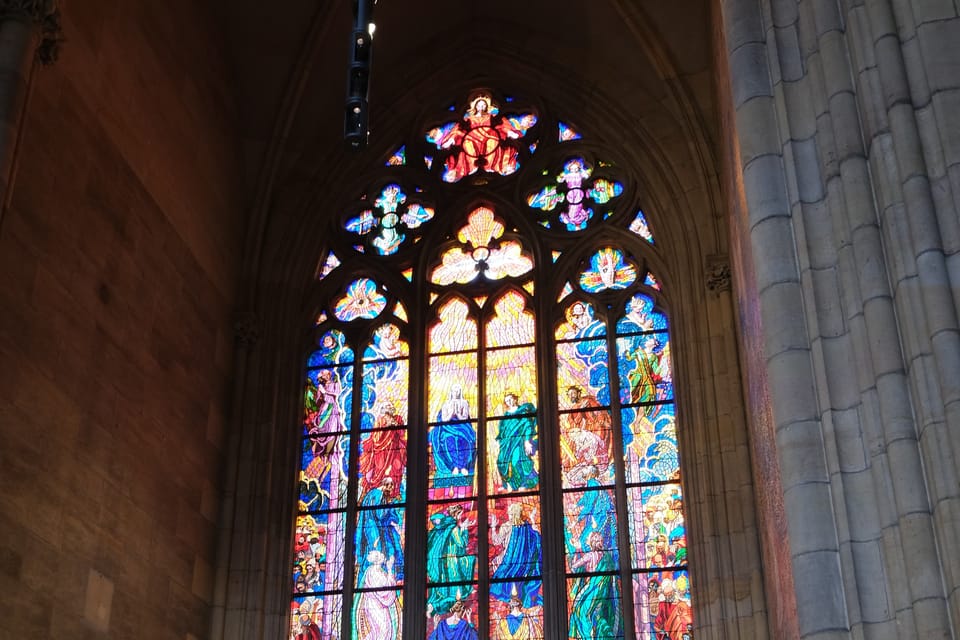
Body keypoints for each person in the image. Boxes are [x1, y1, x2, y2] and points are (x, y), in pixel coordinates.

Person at [567, 531, 622, 639]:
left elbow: (574, 567)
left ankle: (588, 637)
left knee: (580, 611)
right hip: (604, 593)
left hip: (591, 591)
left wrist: (577, 550)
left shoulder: (589, 556)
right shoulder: (607, 558)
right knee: (597, 615)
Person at [489, 502, 542, 607]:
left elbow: (496, 541)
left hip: (508, 559)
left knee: (496, 562)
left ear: (513, 514)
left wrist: (493, 528)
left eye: (510, 513)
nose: (509, 515)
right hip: (525, 564)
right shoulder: (527, 527)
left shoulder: (507, 526)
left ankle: (508, 595)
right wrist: (532, 519)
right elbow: (537, 537)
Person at [426, 504, 476, 615]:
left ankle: (434, 606)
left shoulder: (445, 526)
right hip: (452, 560)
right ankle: (448, 604)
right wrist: (464, 529)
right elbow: (462, 543)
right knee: (467, 563)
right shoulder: (453, 528)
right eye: (460, 514)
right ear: (456, 514)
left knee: (446, 583)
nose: (461, 516)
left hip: (443, 561)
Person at [355, 477, 404, 587]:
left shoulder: (372, 494)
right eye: (390, 486)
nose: (390, 490)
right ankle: (377, 581)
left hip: (371, 529)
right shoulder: (378, 495)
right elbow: (380, 514)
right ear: (385, 485)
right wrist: (390, 508)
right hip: (374, 530)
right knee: (380, 552)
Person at [430, 384, 476, 486]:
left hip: (462, 427)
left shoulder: (464, 403)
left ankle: (464, 466)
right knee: (449, 440)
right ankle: (454, 466)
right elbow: (444, 419)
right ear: (451, 392)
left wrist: (458, 414)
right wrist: (451, 413)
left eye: (457, 391)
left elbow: (465, 418)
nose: (456, 393)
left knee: (464, 441)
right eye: (454, 391)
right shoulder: (446, 404)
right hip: (448, 428)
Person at [359, 403, 406, 496]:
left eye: (390, 409)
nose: (388, 412)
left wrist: (396, 425)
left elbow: (402, 433)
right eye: (386, 410)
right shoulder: (380, 421)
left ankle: (394, 493)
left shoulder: (398, 419)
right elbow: (376, 438)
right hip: (381, 452)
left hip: (395, 450)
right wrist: (385, 426)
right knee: (380, 470)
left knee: (397, 468)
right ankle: (378, 493)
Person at [495, 393, 538, 491]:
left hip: (519, 442)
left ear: (515, 399)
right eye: (506, 401)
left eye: (510, 399)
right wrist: (500, 441)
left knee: (516, 462)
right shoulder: (506, 415)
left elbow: (528, 426)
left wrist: (527, 441)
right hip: (507, 444)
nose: (509, 402)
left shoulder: (522, 412)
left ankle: (522, 483)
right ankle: (508, 484)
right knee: (501, 462)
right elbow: (502, 431)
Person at [354, 551, 401, 640]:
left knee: (383, 629)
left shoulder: (380, 571)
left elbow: (386, 587)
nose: (383, 558)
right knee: (382, 629)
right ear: (378, 560)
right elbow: (383, 591)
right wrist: (390, 569)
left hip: (378, 605)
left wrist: (389, 570)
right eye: (381, 557)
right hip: (374, 605)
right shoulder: (373, 572)